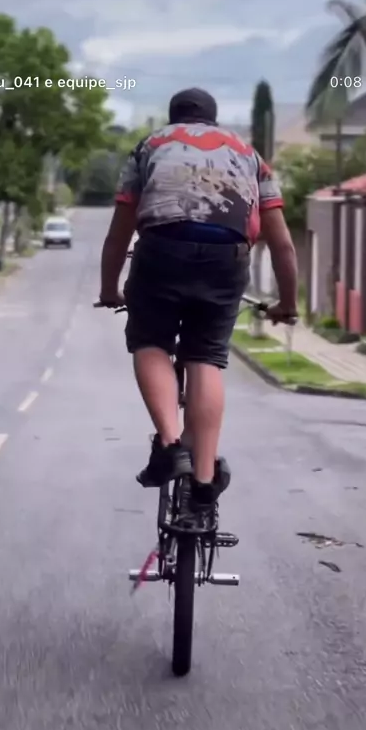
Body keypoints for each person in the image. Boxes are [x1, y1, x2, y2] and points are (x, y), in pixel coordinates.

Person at [98, 87, 298, 526]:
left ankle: (171, 446)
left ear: (174, 118)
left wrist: (109, 289)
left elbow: (119, 232)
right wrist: (288, 303)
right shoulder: (248, 154)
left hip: (162, 249)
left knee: (150, 340)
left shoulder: (151, 145)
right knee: (205, 357)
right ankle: (203, 489)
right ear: (213, 119)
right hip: (227, 257)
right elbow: (282, 242)